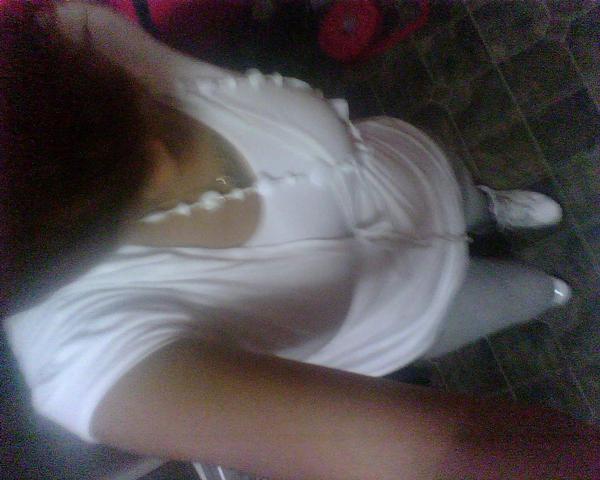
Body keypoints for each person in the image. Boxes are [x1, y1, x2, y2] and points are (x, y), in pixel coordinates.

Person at [1, 1, 597, 479]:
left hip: (410, 165)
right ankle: (536, 282)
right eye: (119, 182)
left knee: (470, 198)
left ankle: (491, 207)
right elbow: (450, 450)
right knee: (524, 294)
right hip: (418, 312)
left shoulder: (70, 46)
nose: (162, 149)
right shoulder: (86, 356)